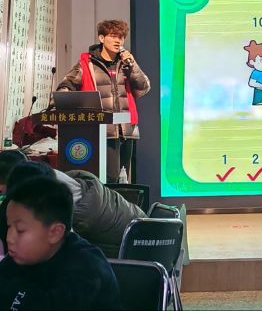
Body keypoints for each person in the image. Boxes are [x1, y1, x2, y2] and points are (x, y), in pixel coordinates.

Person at [0, 176, 121, 309]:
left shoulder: (87, 269)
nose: (9, 238)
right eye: (9, 226)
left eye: (20, 230)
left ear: (55, 233)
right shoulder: (20, 257)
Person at [56, 19, 150, 182]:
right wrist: (61, 103)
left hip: (126, 130)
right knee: (109, 178)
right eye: (113, 36)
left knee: (124, 180)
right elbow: (66, 86)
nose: (118, 41)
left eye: (121, 37)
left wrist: (132, 64)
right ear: (101, 38)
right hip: (101, 130)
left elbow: (143, 87)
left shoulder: (126, 63)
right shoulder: (87, 64)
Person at [0, 156, 145, 258]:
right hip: (135, 229)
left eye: (20, 230)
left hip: (133, 241)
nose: (10, 238)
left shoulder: (49, 196)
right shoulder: (47, 177)